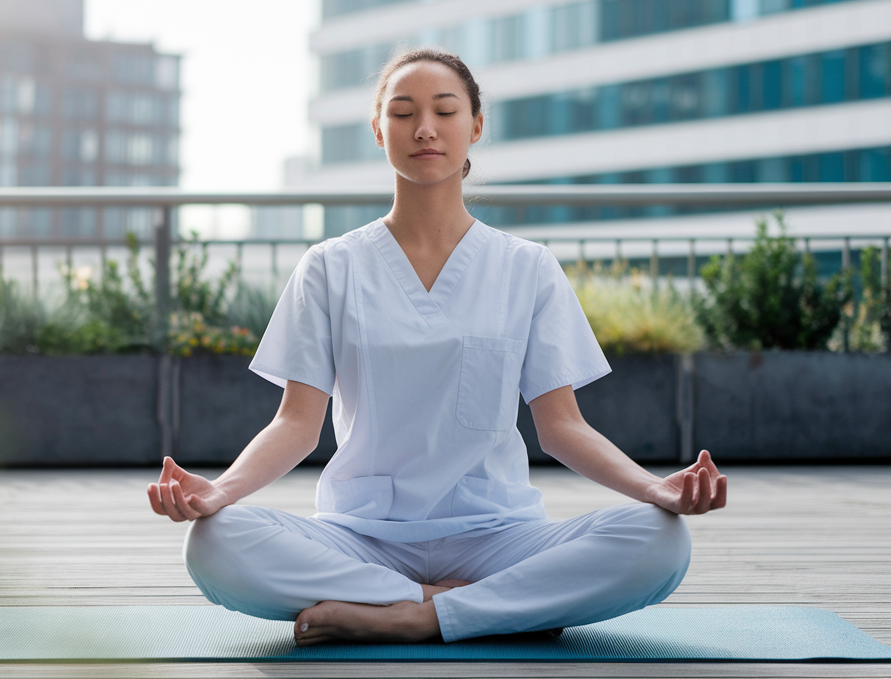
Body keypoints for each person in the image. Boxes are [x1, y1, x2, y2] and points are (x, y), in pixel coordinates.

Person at [146, 48, 728, 646]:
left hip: (497, 535)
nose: (424, 128)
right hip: (361, 536)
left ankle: (411, 617)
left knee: (660, 540)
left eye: (445, 111)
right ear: (378, 131)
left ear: (475, 126)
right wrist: (218, 492)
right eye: (402, 113)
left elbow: (561, 428)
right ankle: (471, 608)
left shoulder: (526, 267)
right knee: (215, 542)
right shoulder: (329, 267)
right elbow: (296, 425)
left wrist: (654, 488)